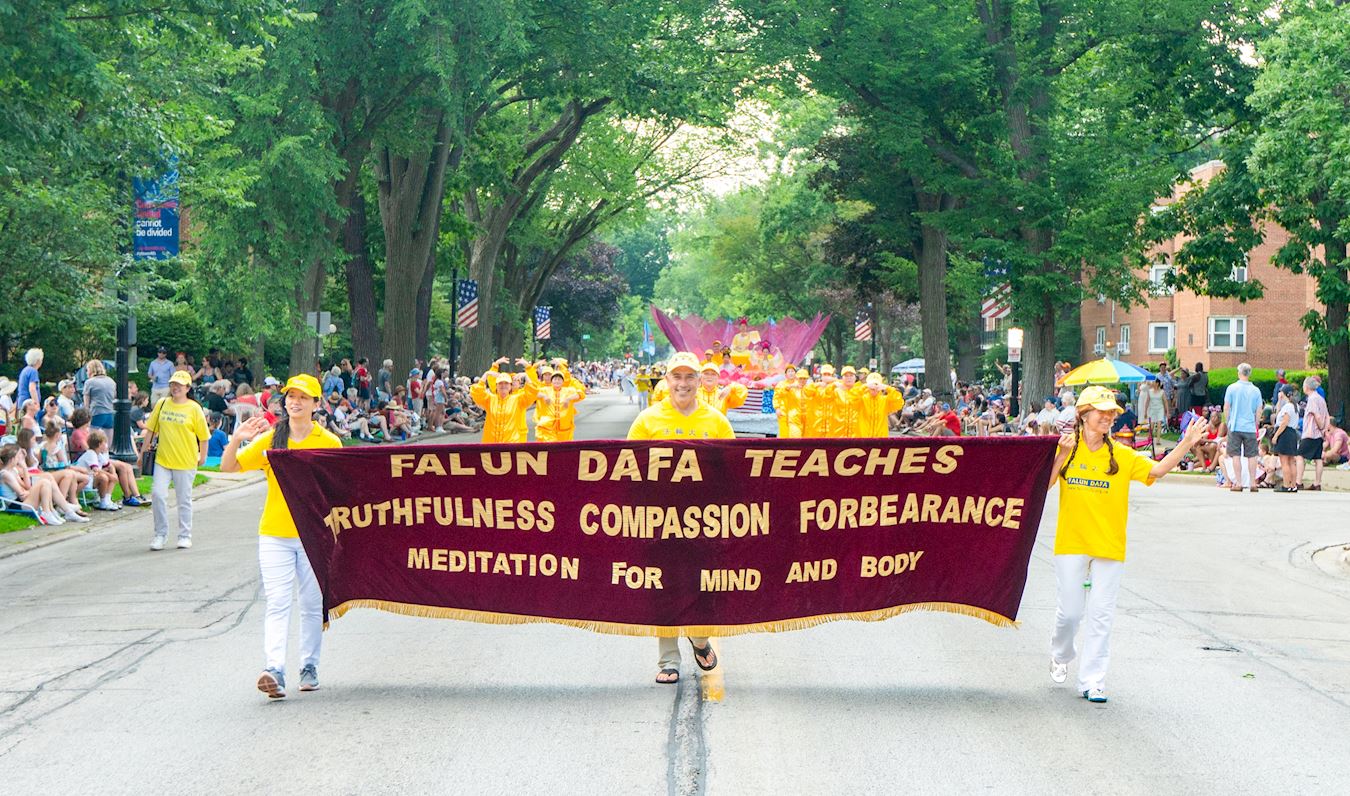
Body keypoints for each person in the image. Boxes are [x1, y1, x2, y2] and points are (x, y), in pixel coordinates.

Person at [1047, 386, 1209, 703]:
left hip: (1109, 545)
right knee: (1070, 614)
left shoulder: (1121, 455)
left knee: (1101, 615)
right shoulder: (1065, 448)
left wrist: (1186, 443)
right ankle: (1061, 653)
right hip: (1071, 541)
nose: (1109, 417)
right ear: (1083, 415)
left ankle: (1092, 681)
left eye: (1112, 413)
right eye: (1102, 411)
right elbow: (1045, 485)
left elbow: (1157, 470)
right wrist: (1062, 456)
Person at [222, 374, 343, 699]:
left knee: (311, 604)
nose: (295, 402)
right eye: (291, 396)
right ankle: (274, 669)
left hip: (313, 536)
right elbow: (229, 467)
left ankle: (309, 666)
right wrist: (237, 439)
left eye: (303, 397)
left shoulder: (329, 443)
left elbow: (341, 491)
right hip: (274, 533)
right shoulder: (272, 439)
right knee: (277, 602)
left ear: (316, 404)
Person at [627, 352, 728, 684]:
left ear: (699, 381)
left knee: (702, 583)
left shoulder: (717, 421)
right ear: (667, 380)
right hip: (660, 518)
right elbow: (626, 467)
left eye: (689, 377)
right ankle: (668, 660)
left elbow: (735, 469)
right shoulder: (647, 420)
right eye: (677, 377)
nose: (683, 384)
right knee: (665, 586)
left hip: (705, 519)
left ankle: (699, 638)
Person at [140, 370, 209, 550]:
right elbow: (151, 430)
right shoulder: (162, 404)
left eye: (179, 385)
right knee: (158, 495)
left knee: (183, 499)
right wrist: (142, 453)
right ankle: (160, 534)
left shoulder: (194, 408)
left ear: (187, 388)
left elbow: (203, 436)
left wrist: (202, 456)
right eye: (173, 384)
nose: (175, 387)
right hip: (163, 459)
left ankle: (185, 535)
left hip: (185, 461)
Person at [1, 444, 86, 525]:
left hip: (23, 501)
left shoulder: (13, 470)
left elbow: (26, 486)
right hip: (18, 505)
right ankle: (51, 511)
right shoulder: (5, 474)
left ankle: (62, 510)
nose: (20, 459)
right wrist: (29, 491)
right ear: (12, 459)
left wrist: (24, 467)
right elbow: (22, 495)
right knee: (44, 482)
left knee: (47, 478)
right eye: (18, 457)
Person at [470, 358, 539, 443]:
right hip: (491, 442)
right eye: (500, 383)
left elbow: (533, 390)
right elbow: (477, 392)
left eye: (506, 383)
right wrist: (487, 373)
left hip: (513, 440)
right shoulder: (490, 399)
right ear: (496, 386)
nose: (503, 386)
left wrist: (527, 371)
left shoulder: (519, 398)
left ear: (511, 386)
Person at [1221, 362, 1262, 493]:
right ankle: (1252, 482)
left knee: (1236, 455)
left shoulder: (1232, 388)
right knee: (1252, 455)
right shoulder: (1256, 390)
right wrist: (1256, 424)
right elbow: (1259, 409)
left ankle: (1238, 483)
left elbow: (1226, 407)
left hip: (1235, 425)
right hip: (1249, 427)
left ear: (1239, 373)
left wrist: (1228, 422)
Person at [1295, 376, 1330, 491]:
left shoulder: (1312, 399)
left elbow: (1317, 415)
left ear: (1307, 387)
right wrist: (1324, 429)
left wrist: (1320, 426)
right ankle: (1317, 483)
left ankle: (1298, 481)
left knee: (1300, 456)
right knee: (1317, 458)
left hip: (1311, 433)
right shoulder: (1321, 399)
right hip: (1319, 435)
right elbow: (1326, 415)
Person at [533, 369, 586, 443]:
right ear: (551, 381)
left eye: (559, 379)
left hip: (565, 428)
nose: (557, 381)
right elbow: (532, 393)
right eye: (555, 379)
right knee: (550, 446)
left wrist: (568, 399)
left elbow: (581, 394)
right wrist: (544, 396)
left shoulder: (569, 391)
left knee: (564, 448)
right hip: (548, 428)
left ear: (563, 382)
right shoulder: (544, 390)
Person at [1271, 385, 1301, 493]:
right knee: (1291, 461)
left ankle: (1286, 484)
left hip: (1285, 433)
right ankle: (1293, 485)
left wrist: (1276, 435)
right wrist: (1279, 401)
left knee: (1284, 461)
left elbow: (1284, 422)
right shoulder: (1295, 406)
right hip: (1292, 433)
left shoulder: (1288, 407)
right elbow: (1278, 412)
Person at [82, 360, 117, 432]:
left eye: (87, 370)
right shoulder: (111, 381)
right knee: (109, 437)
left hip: (96, 412)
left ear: (91, 370)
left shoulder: (89, 382)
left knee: (93, 437)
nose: (86, 372)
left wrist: (86, 417)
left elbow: (86, 404)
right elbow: (114, 397)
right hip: (110, 413)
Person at [772, 367, 805, 438]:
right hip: (783, 412)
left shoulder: (799, 384)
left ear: (795, 374)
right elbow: (776, 397)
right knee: (784, 432)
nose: (791, 373)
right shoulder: (781, 384)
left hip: (796, 413)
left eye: (792, 371)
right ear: (786, 375)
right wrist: (777, 408)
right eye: (789, 371)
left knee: (796, 433)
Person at [17, 348, 43, 412]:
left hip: (21, 403)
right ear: (38, 360)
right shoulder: (33, 371)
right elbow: (32, 389)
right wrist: (37, 405)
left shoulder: (25, 370)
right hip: (29, 405)